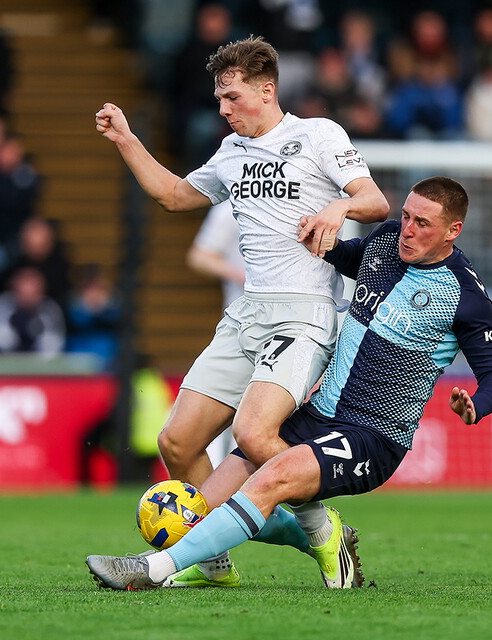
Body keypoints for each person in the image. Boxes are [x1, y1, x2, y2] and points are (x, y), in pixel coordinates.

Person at [85, 177, 492, 590]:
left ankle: (152, 569)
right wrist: (316, 238)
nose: (408, 230)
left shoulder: (464, 295)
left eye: (423, 224)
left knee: (271, 480)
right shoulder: (384, 241)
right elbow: (348, 256)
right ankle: (313, 540)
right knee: (206, 504)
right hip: (316, 414)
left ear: (453, 231)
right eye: (406, 216)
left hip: (372, 435)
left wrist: (476, 404)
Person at [94, 35, 388, 495]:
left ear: (266, 91)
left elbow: (375, 200)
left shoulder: (317, 134)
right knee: (176, 443)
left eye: (232, 96)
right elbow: (174, 196)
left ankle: (322, 532)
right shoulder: (231, 151)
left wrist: (339, 209)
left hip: (303, 315)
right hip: (245, 315)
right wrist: (127, 140)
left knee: (253, 437)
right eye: (219, 99)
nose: (223, 109)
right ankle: (214, 560)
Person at [186, 199, 244, 466]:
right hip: (241, 322)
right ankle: (227, 490)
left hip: (296, 322)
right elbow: (199, 255)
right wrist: (240, 274)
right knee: (235, 413)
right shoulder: (231, 207)